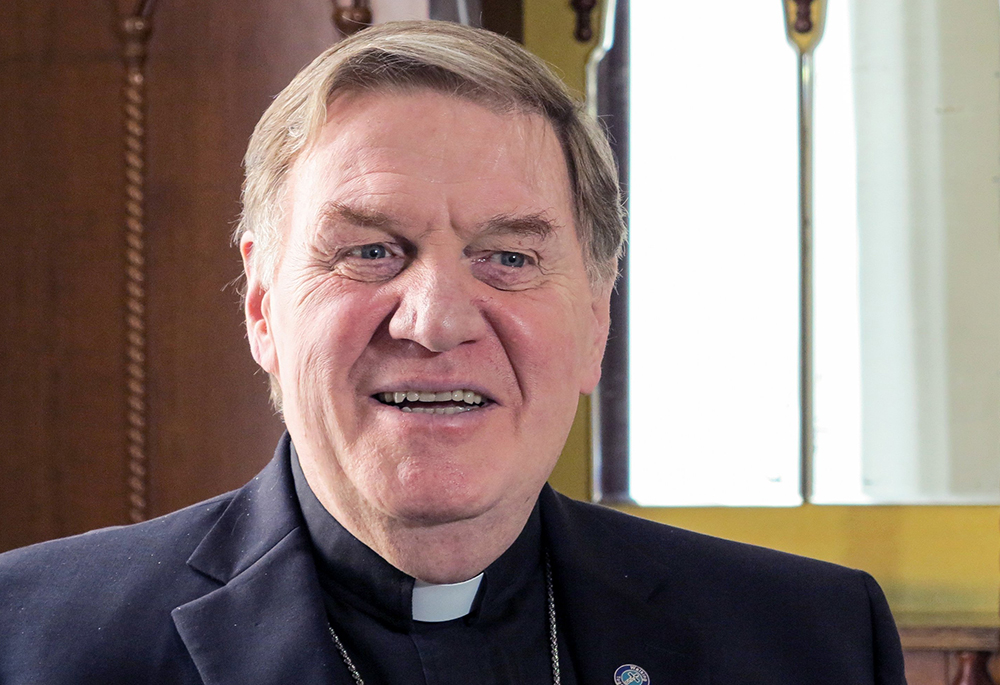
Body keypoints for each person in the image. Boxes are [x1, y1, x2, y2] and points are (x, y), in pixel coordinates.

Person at [0, 20, 905, 685]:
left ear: (595, 319)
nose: (434, 320)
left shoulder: (809, 642)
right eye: (370, 251)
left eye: (508, 257)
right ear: (265, 304)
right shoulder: (34, 638)